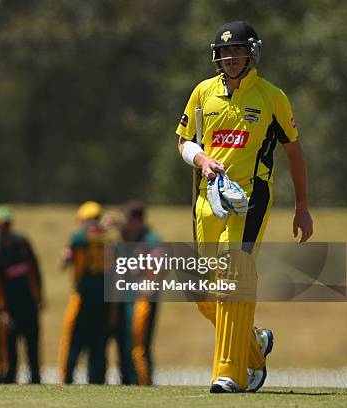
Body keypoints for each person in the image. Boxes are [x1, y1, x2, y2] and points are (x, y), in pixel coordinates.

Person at [176, 21, 313, 393]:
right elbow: (184, 142)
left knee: (230, 280)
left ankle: (229, 374)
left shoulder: (272, 97)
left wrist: (302, 207)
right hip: (207, 201)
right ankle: (254, 346)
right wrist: (202, 160)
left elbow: (294, 152)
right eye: (224, 52)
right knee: (206, 295)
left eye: (237, 50)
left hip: (249, 200)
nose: (231, 58)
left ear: (252, 52)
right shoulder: (203, 92)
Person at [0, 206, 43, 383]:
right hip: (9, 307)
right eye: (1, 225)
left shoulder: (23, 243)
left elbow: (36, 270)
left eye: (7, 224)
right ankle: (10, 386)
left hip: (28, 304)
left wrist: (39, 297)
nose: (5, 228)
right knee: (10, 352)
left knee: (33, 349)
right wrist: (0, 311)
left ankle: (36, 383)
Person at [58, 201, 111, 384]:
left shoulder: (79, 238)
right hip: (105, 300)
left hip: (83, 298)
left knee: (73, 342)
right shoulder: (109, 238)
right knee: (98, 345)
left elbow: (65, 262)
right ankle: (97, 381)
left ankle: (67, 379)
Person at [120, 201, 162, 386]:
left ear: (137, 221)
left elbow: (159, 261)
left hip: (142, 301)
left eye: (126, 220)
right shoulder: (129, 237)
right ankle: (130, 383)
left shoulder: (150, 239)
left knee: (139, 346)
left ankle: (144, 384)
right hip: (127, 299)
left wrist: (150, 283)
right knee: (127, 345)